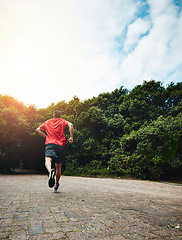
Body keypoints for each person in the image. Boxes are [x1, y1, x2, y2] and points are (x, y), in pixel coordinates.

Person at [36, 110, 73, 191]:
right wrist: (71, 137)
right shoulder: (63, 121)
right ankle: (56, 184)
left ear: (53, 115)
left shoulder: (47, 122)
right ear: (60, 116)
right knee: (58, 166)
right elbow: (71, 125)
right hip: (60, 145)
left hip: (50, 144)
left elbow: (38, 129)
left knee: (48, 160)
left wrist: (46, 137)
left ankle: (50, 171)